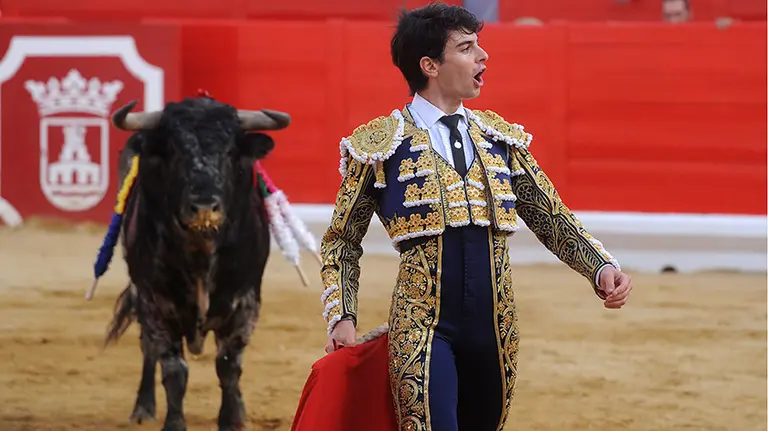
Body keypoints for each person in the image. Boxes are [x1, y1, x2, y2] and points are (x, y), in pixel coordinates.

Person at [316, 4, 633, 430]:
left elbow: (550, 215)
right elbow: (341, 239)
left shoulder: (499, 139)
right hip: (422, 326)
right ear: (430, 65)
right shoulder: (380, 146)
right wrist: (342, 314)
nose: (483, 56)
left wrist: (600, 267)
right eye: (466, 48)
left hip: (496, 329)